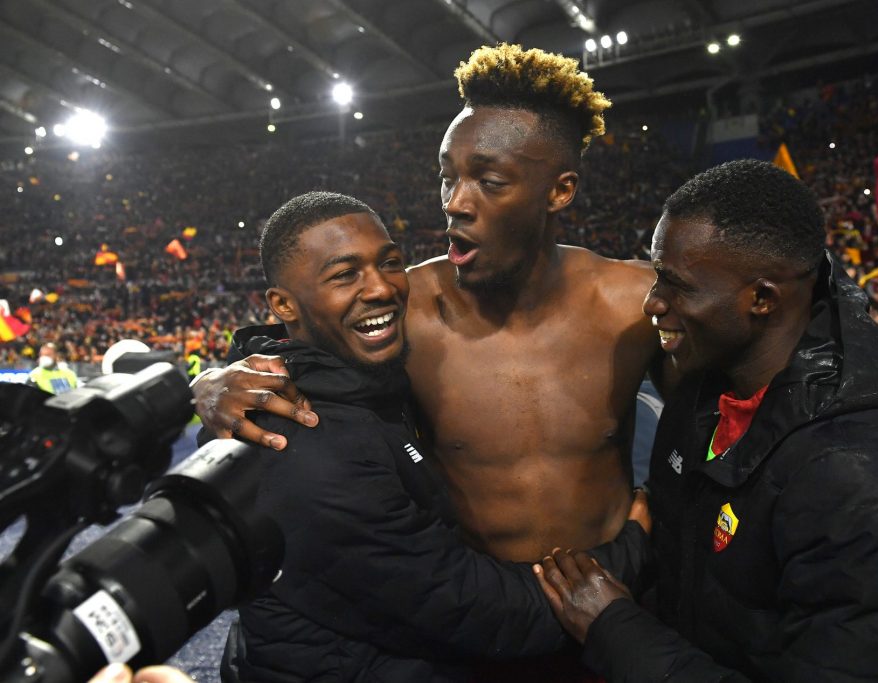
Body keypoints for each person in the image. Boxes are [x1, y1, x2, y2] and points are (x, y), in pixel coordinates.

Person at [535, 160, 878, 682]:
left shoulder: (857, 472)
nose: (652, 302)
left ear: (761, 299)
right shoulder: (705, 391)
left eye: (677, 284)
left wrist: (616, 631)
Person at [218, 191, 650, 682]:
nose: (381, 287)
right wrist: (632, 553)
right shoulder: (309, 443)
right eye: (345, 275)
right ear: (282, 305)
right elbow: (473, 611)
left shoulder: (360, 382)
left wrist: (214, 380)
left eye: (390, 263)